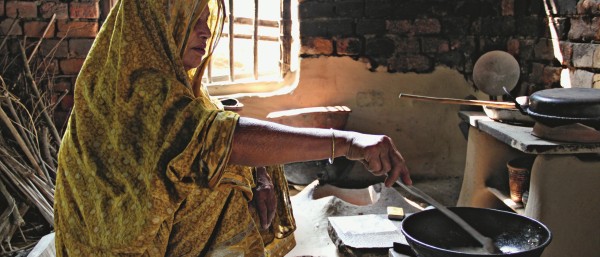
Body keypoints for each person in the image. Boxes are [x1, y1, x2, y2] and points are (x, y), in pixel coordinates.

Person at [53, 0, 412, 256]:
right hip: (117, 245)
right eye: (191, 19)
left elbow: (218, 132)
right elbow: (222, 139)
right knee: (220, 189)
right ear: (158, 24)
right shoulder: (139, 90)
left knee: (233, 181)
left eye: (206, 18)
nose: (205, 30)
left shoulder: (180, 85)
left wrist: (261, 177)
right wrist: (348, 142)